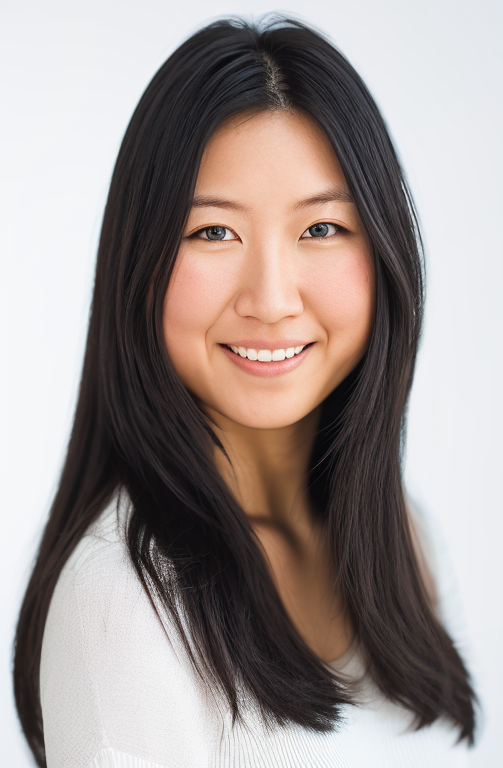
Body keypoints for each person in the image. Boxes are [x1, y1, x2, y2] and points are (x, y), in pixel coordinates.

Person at [12, 13, 478, 768]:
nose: (270, 298)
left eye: (321, 229)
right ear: (140, 264)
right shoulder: (125, 605)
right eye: (213, 233)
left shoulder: (405, 539)